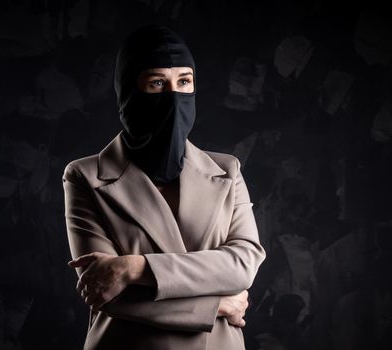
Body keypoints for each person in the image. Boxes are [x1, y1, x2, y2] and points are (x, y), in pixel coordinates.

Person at [62, 24, 266, 350]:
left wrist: (134, 267)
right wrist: (215, 305)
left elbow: (242, 264)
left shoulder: (227, 170)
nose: (174, 96)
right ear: (129, 90)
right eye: (157, 83)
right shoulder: (84, 177)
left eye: (184, 82)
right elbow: (104, 292)